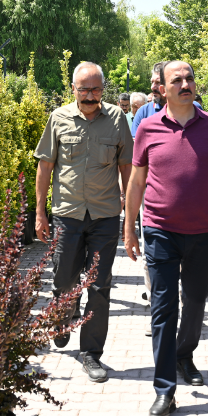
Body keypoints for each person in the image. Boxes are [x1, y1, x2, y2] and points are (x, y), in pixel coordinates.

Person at [124, 60, 208, 416]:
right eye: (176, 79)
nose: (185, 83)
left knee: (195, 300)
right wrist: (129, 226)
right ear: (161, 88)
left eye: (189, 77)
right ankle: (165, 389)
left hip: (203, 231)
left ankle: (184, 353)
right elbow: (135, 182)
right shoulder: (147, 127)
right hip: (160, 230)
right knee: (163, 309)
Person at [34, 62, 133, 383]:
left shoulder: (117, 120)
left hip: (104, 216)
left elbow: (127, 169)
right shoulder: (58, 118)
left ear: (103, 89)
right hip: (67, 214)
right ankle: (64, 315)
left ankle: (91, 353)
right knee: (64, 279)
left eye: (96, 90)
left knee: (100, 285)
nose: (90, 96)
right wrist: (39, 212)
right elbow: (45, 167)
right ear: (73, 89)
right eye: (83, 90)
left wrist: (129, 214)